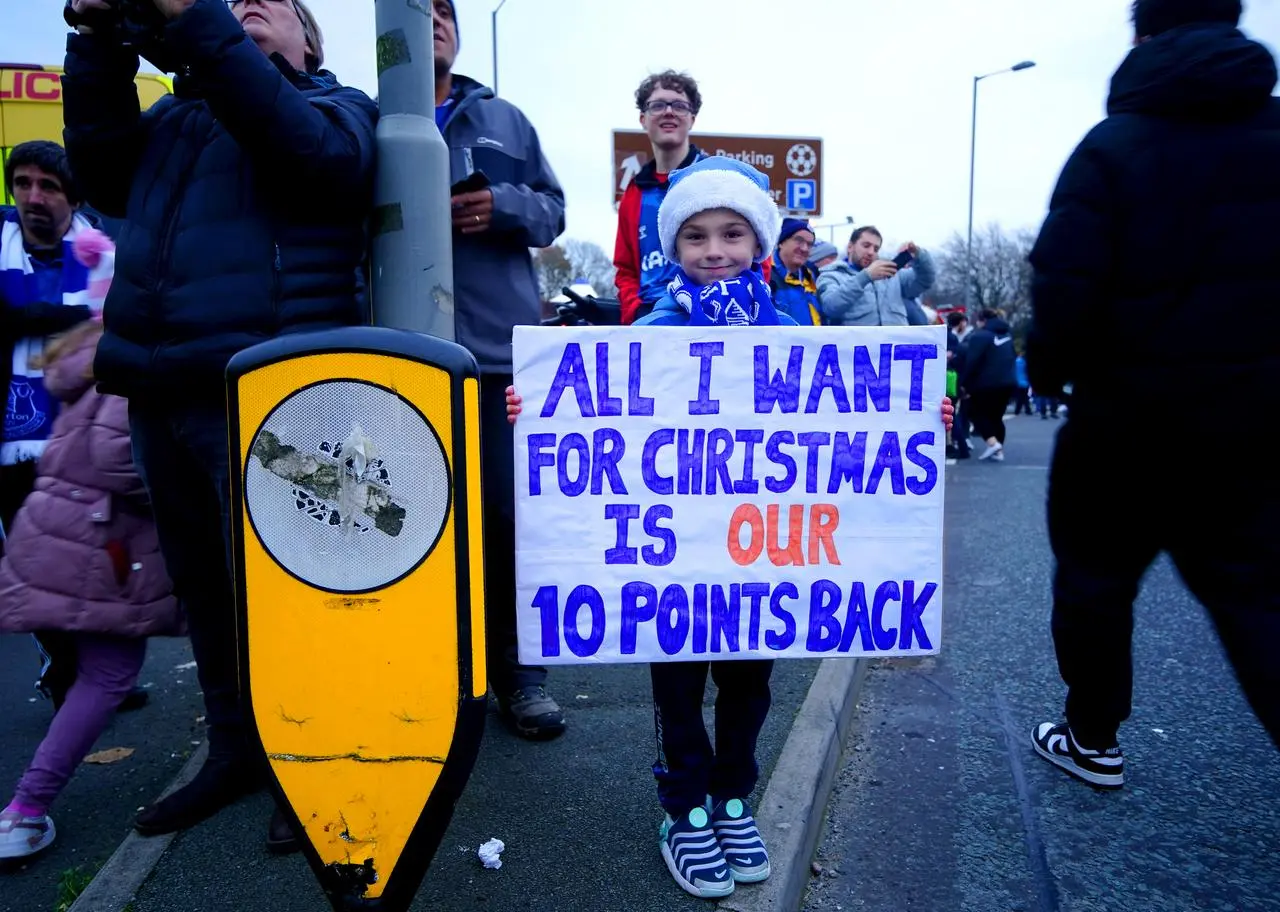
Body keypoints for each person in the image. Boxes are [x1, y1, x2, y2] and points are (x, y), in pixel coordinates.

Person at [508, 157, 955, 898]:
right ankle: (683, 808)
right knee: (678, 694)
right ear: (672, 250)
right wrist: (537, 407)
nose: (715, 251)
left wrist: (918, 414)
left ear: (759, 242)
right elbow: (591, 402)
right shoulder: (653, 328)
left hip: (760, 570)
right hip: (675, 573)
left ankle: (733, 799)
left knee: (751, 688)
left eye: (733, 233)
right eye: (695, 237)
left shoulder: (791, 326)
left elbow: (853, 413)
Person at [62, 0, 377, 849]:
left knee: (294, 596)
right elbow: (101, 172)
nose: (246, 5)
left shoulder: (337, 108)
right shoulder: (178, 115)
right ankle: (236, 748)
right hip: (160, 391)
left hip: (273, 397)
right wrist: (97, 41)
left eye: (270, 2)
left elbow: (316, 163)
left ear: (311, 41)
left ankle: (309, 760)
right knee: (206, 588)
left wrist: (200, 26)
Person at [1027, 0, 1280, 786]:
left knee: (1095, 583)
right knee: (1259, 597)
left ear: (1141, 34)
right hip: (1257, 421)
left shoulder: (1112, 148)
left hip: (1123, 420)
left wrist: (1047, 373)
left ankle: (1092, 735)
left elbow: (1064, 284)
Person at [0, 229, 182, 861]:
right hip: (98, 543)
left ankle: (26, 808)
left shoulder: (92, 355)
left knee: (95, 673)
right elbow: (118, 456)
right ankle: (24, 810)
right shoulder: (126, 364)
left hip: (64, 534)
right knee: (107, 675)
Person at [431, 0, 570, 739]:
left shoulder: (507, 120)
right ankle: (444, 677)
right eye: (420, 8)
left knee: (508, 523)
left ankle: (520, 676)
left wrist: (504, 203)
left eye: (446, 9)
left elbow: (554, 210)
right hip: (401, 361)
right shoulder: (364, 119)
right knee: (419, 526)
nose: (436, 19)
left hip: (495, 360)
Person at [614, 70, 706, 325]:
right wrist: (635, 311)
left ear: (692, 118)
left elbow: (755, 256)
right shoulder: (634, 193)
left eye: (679, 105)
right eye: (657, 105)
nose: (668, 111)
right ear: (643, 119)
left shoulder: (715, 178)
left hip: (712, 319)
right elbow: (625, 270)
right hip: (651, 322)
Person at [818, 226, 935, 326]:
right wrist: (865, 276)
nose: (871, 252)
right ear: (850, 247)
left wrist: (919, 255)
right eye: (866, 245)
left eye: (876, 248)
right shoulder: (831, 275)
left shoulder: (891, 274)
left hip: (895, 348)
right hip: (859, 350)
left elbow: (926, 279)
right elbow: (830, 307)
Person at [958, 309, 1016, 461]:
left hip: (986, 383)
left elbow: (972, 361)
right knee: (997, 417)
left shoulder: (980, 336)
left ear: (982, 320)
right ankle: (998, 449)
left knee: (975, 412)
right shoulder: (1007, 336)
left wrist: (963, 383)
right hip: (1008, 382)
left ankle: (992, 443)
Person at [768, 218, 823, 325]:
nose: (804, 248)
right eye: (799, 240)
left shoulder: (811, 275)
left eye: (809, 244)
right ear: (781, 242)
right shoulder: (766, 274)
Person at [1013, 350, 1032, 415]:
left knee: (1019, 397)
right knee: (1025, 397)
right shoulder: (1024, 362)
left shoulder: (1014, 363)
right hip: (1025, 382)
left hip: (1017, 382)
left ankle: (1017, 410)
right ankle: (1027, 410)